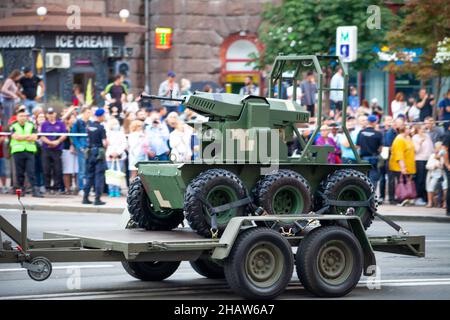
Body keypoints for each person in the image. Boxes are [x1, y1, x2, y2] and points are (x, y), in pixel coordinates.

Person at [9, 108, 43, 197]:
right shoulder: (13, 125)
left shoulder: (31, 124)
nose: (23, 117)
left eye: (25, 116)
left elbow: (35, 137)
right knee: (19, 172)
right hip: (18, 151)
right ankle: (21, 191)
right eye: (21, 116)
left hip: (29, 151)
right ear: (17, 117)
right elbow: (15, 137)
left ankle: (35, 191)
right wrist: (27, 136)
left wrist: (22, 137)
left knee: (31, 171)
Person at [83, 108, 108, 205]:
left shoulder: (89, 126)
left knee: (89, 176)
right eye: (104, 115)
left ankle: (85, 198)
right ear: (100, 116)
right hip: (99, 153)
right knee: (99, 176)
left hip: (90, 153)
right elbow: (104, 143)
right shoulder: (101, 128)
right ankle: (97, 199)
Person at [40, 108, 67, 194]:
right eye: (49, 113)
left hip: (57, 149)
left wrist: (57, 141)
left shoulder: (61, 123)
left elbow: (64, 134)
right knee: (46, 169)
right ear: (47, 115)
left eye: (52, 113)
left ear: (55, 114)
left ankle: (56, 188)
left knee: (57, 169)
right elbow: (42, 136)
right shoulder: (44, 124)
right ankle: (47, 187)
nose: (51, 115)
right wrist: (50, 142)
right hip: (46, 149)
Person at [389, 125, 416, 206]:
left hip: (408, 165)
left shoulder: (408, 138)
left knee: (405, 183)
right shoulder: (399, 139)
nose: (410, 130)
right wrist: (403, 167)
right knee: (400, 183)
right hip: (399, 167)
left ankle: (405, 198)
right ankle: (399, 199)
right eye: (408, 128)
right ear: (404, 130)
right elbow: (399, 154)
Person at [356, 115, 383, 188]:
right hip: (373, 158)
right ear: (375, 122)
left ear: (368, 122)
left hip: (363, 159)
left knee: (363, 178)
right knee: (373, 179)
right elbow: (380, 149)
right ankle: (372, 196)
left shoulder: (361, 132)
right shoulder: (378, 134)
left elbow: (358, 146)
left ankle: (364, 195)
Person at [71, 106, 92, 193]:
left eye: (90, 112)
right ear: (83, 113)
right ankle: (81, 188)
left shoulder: (91, 122)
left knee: (89, 169)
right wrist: (78, 146)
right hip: (82, 148)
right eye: (87, 112)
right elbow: (73, 135)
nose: (89, 114)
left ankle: (88, 188)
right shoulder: (78, 122)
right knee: (82, 169)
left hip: (90, 147)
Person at [412, 124, 434, 206]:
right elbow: (416, 150)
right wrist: (420, 143)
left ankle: (425, 198)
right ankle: (419, 197)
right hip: (419, 160)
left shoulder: (427, 136)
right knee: (420, 179)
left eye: (424, 129)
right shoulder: (415, 137)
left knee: (426, 179)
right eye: (421, 129)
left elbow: (431, 148)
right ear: (417, 130)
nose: (423, 130)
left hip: (427, 160)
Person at [105, 118, 127, 197]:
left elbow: (124, 144)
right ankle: (111, 190)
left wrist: (118, 152)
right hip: (109, 156)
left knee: (118, 173)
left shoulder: (121, 133)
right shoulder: (107, 134)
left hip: (119, 156)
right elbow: (106, 144)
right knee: (111, 174)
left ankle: (117, 190)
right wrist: (112, 153)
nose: (115, 125)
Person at [426, 142, 447, 208]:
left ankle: (445, 203)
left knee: (445, 187)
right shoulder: (432, 156)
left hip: (443, 174)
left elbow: (446, 165)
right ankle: (430, 202)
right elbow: (427, 166)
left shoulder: (445, 155)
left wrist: (442, 165)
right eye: (437, 148)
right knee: (430, 186)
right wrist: (434, 166)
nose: (438, 150)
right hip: (434, 174)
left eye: (440, 148)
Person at [62, 113, 78, 194]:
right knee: (67, 171)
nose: (73, 120)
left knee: (77, 171)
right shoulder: (65, 128)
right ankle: (67, 189)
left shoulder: (78, 128)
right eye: (71, 118)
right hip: (67, 150)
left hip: (77, 151)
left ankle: (77, 188)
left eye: (74, 118)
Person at [0, 124, 7, 193]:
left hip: (1, 155)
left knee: (3, 172)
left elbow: (2, 138)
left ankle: (4, 187)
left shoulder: (1, 127)